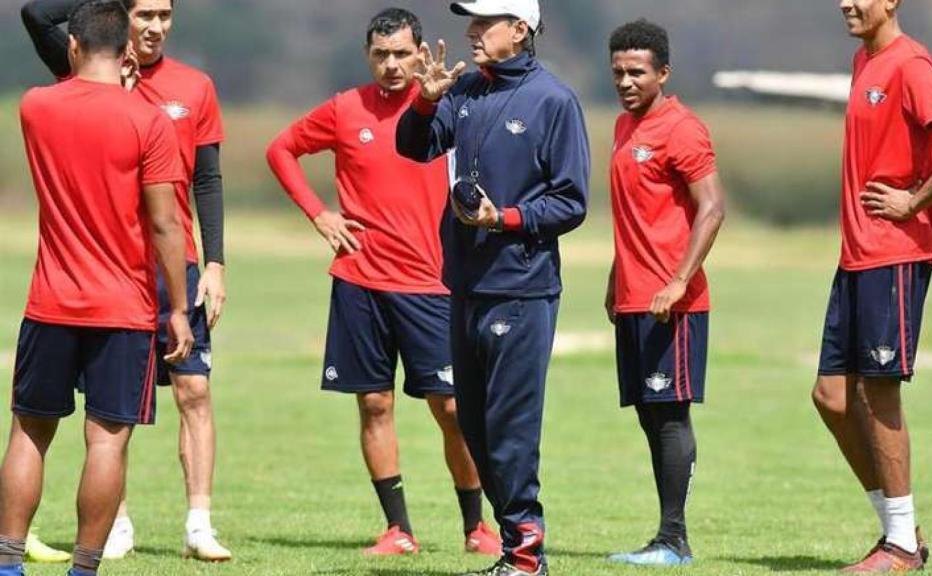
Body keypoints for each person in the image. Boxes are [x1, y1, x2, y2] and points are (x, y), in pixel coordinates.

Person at [265, 7, 501, 557]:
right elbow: (280, 150)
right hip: (361, 280)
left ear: (421, 53)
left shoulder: (449, 107)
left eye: (401, 54)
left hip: (431, 283)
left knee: (451, 409)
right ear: (368, 56)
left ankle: (478, 526)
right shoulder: (345, 109)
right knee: (374, 403)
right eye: (381, 55)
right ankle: (399, 530)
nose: (391, 65)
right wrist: (319, 213)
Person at [21, 0, 231, 561]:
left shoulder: (195, 87)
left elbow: (208, 180)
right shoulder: (90, 75)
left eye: (165, 15)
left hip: (171, 265)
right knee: (108, 416)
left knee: (194, 390)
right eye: (144, 14)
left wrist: (215, 262)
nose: (155, 26)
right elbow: (37, 15)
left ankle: (199, 524)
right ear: (123, 18)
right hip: (118, 275)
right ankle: (113, 527)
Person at [396, 1, 589, 574]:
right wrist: (425, 100)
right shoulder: (465, 90)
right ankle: (516, 547)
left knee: (511, 428)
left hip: (522, 287)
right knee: (476, 427)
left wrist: (502, 218)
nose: (472, 31)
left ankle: (526, 556)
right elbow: (414, 146)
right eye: (471, 21)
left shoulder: (553, 100)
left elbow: (571, 201)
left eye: (485, 22)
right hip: (465, 282)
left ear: (520, 29)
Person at [812, 0, 932, 572]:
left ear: (891, 1)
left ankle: (902, 546)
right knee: (832, 397)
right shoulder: (864, 60)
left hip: (894, 255)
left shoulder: (910, 64)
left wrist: (913, 201)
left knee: (877, 392)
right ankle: (903, 530)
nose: (846, 3)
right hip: (856, 257)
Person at [602, 19, 726, 567]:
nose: (626, 82)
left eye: (637, 72)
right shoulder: (623, 127)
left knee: (671, 417)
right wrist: (616, 276)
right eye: (618, 72)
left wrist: (678, 280)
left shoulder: (682, 129)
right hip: (634, 299)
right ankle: (664, 538)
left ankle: (675, 540)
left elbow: (712, 208)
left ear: (663, 73)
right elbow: (636, 215)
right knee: (649, 416)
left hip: (672, 305)